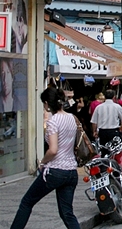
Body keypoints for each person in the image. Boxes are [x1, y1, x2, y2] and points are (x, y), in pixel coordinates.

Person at [11, 87, 80, 229]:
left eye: (44, 103)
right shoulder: (72, 118)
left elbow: (53, 150)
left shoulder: (53, 121)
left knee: (27, 202)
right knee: (67, 213)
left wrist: (42, 161)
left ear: (47, 104)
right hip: (71, 171)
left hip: (55, 171)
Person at [90, 89, 122, 153]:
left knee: (104, 150)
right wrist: (121, 127)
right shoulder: (117, 107)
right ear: (114, 97)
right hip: (114, 131)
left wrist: (94, 131)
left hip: (102, 132)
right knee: (115, 151)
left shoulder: (99, 107)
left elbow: (94, 122)